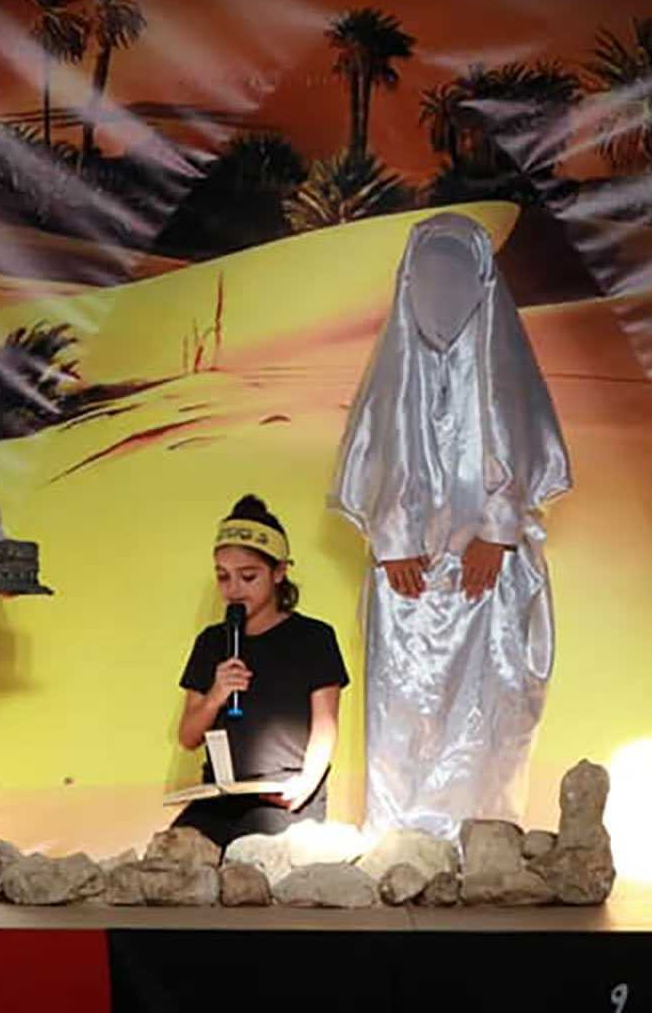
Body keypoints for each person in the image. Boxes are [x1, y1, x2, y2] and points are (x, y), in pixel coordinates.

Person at [329, 212, 572, 842]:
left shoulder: (504, 364)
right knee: (404, 707)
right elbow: (376, 455)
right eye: (430, 277)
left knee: (489, 708)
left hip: (489, 577)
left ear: (483, 283)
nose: (442, 293)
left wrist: (498, 533)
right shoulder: (394, 367)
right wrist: (393, 543)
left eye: (456, 277)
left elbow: (522, 446)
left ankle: (481, 837)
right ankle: (399, 845)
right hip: (407, 582)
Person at [172, 495, 349, 849]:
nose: (234, 589)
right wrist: (216, 695)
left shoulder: (315, 637)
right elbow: (188, 736)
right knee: (171, 857)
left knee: (252, 859)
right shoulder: (211, 642)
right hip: (222, 795)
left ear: (278, 572)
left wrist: (306, 784)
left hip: (287, 793)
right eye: (223, 577)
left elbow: (325, 724)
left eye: (248, 576)